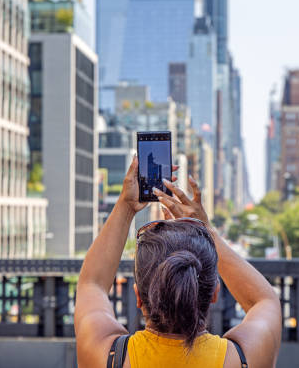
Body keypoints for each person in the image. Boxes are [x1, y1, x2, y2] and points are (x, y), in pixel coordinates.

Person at [75, 156, 282, 367]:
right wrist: (205, 229)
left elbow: (92, 284)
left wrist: (126, 205)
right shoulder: (243, 359)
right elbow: (265, 301)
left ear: (138, 297)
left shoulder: (105, 356)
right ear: (214, 293)